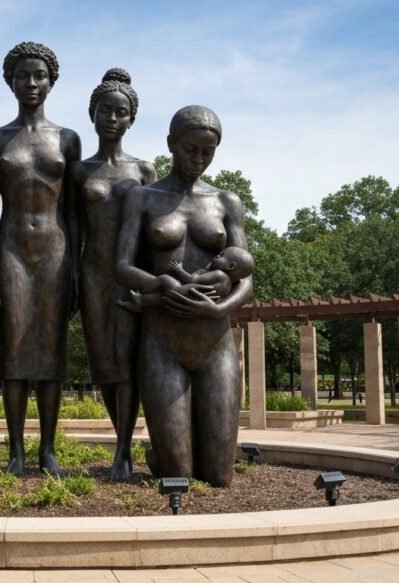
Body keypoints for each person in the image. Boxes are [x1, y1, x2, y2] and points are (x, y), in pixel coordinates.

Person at [116, 105, 254, 487]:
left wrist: (219, 308)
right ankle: (162, 453)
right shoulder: (143, 198)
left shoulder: (227, 202)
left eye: (207, 152)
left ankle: (181, 448)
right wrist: (160, 284)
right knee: (177, 475)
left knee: (219, 477)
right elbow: (123, 266)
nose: (198, 159)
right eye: (190, 149)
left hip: (216, 342)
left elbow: (246, 277)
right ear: (170, 145)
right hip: (163, 340)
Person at [0, 41, 81, 475]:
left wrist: (76, 269)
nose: (31, 83)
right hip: (12, 251)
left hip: (56, 253)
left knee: (51, 356)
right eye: (23, 75)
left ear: (52, 81)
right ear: (10, 81)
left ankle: (47, 450)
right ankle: (16, 451)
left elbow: (75, 212)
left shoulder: (68, 139)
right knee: (14, 355)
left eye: (39, 75)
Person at [70, 68, 155, 480]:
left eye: (121, 112)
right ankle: (120, 436)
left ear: (131, 120)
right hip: (92, 273)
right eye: (105, 110)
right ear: (93, 113)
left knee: (127, 360)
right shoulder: (80, 171)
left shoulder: (144, 170)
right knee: (102, 361)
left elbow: (156, 230)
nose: (112, 118)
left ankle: (123, 449)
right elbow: (71, 229)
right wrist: (70, 277)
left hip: (130, 274)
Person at [120, 246, 254, 311]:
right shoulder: (227, 284)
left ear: (231, 266)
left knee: (165, 280)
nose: (216, 256)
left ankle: (144, 291)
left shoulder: (219, 274)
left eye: (221, 255)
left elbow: (192, 280)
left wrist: (179, 269)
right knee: (163, 298)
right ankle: (141, 302)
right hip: (192, 299)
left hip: (186, 293)